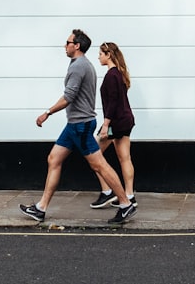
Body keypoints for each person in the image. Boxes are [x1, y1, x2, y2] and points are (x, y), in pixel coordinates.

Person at [19, 29, 137, 224]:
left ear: (77, 46)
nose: (65, 45)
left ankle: (125, 204)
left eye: (68, 42)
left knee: (99, 164)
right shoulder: (83, 65)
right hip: (74, 124)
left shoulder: (79, 66)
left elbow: (69, 97)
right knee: (54, 158)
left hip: (80, 125)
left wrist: (47, 113)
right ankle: (41, 208)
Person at [89, 41, 136, 209]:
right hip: (126, 120)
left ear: (108, 55)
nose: (98, 57)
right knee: (125, 158)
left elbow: (113, 102)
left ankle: (107, 191)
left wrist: (105, 125)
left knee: (93, 155)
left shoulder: (111, 75)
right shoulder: (120, 73)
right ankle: (129, 195)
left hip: (116, 122)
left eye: (101, 54)